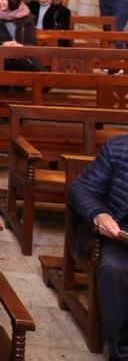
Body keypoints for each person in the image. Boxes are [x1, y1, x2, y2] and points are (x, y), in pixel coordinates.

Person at [69, 133, 128, 361]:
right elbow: (82, 189)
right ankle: (121, 352)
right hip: (120, 234)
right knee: (113, 270)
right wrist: (100, 215)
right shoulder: (119, 147)